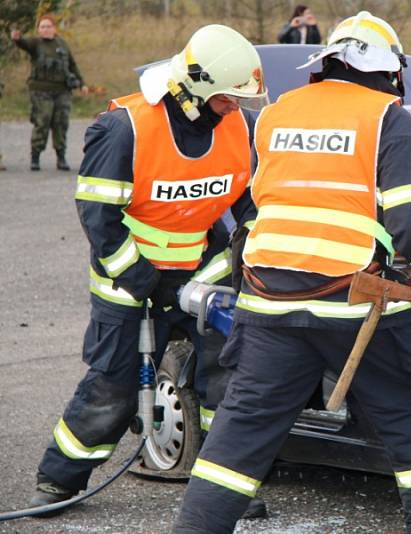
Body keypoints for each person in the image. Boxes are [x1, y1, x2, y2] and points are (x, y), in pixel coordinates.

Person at [174, 11, 411, 534]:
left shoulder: (278, 114)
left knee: (237, 442)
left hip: (269, 307)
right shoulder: (389, 119)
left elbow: (255, 210)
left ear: (327, 65)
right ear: (390, 72)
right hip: (359, 310)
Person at [28, 24, 269, 520]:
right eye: (228, 99)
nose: (236, 109)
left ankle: (222, 488)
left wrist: (250, 240)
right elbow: (99, 218)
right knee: (113, 388)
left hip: (202, 273)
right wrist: (142, 278)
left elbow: (248, 199)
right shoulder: (125, 128)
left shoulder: (238, 126)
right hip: (130, 280)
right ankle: (59, 479)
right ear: (196, 89)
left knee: (225, 381)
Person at [11, 14, 88, 172]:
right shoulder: (35, 44)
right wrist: (17, 39)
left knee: (61, 124)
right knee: (42, 122)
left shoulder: (62, 45)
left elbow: (72, 65)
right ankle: (35, 157)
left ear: (54, 28)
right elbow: (23, 43)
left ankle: (61, 158)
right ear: (38, 29)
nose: (45, 29)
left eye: (48, 26)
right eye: (42, 27)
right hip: (41, 92)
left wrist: (82, 83)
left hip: (62, 92)